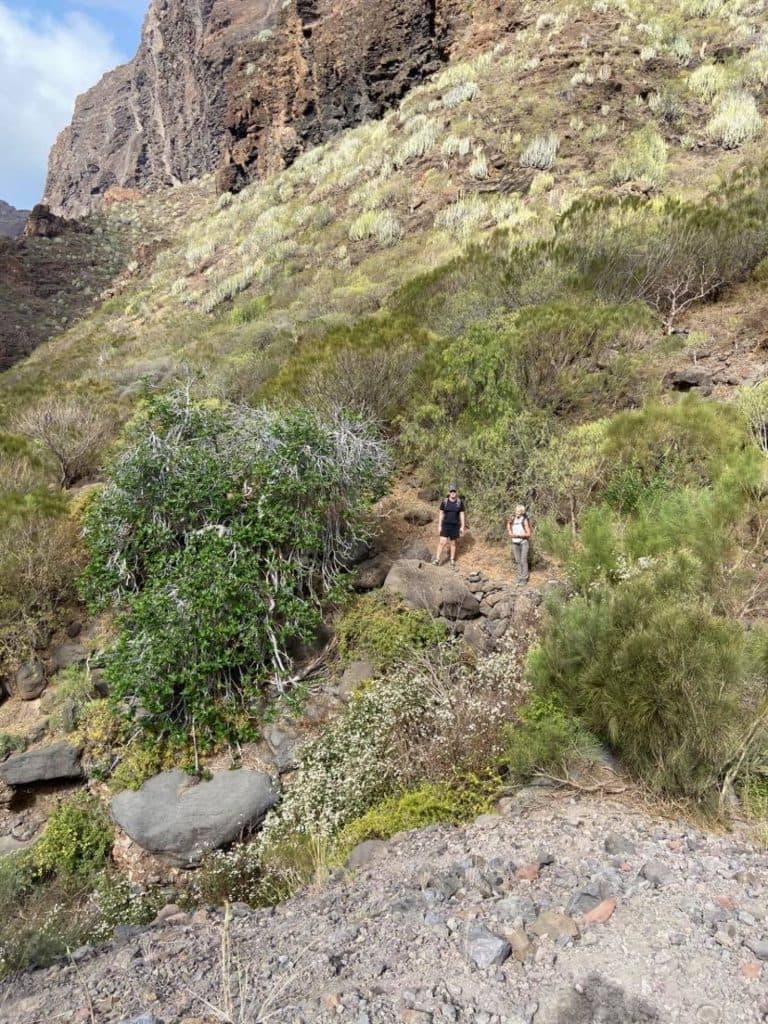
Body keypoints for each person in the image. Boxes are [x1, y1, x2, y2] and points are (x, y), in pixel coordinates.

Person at [433, 484, 465, 568]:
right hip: (445, 525)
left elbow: (462, 514)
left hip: (455, 526)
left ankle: (452, 559)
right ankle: (437, 559)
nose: (453, 493)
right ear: (449, 492)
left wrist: (462, 526)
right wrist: (439, 525)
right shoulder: (445, 501)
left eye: (454, 491)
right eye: (451, 491)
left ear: (456, 492)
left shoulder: (459, 502)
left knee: (453, 543)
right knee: (442, 542)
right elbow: (441, 513)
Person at [507, 503, 532, 585]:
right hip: (515, 543)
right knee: (518, 560)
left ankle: (524, 578)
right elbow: (508, 524)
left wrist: (518, 535)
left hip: (523, 543)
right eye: (516, 511)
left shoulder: (524, 520)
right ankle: (519, 577)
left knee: (523, 560)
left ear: (522, 512)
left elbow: (528, 534)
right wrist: (510, 531)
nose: (517, 513)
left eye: (519, 511)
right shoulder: (512, 518)